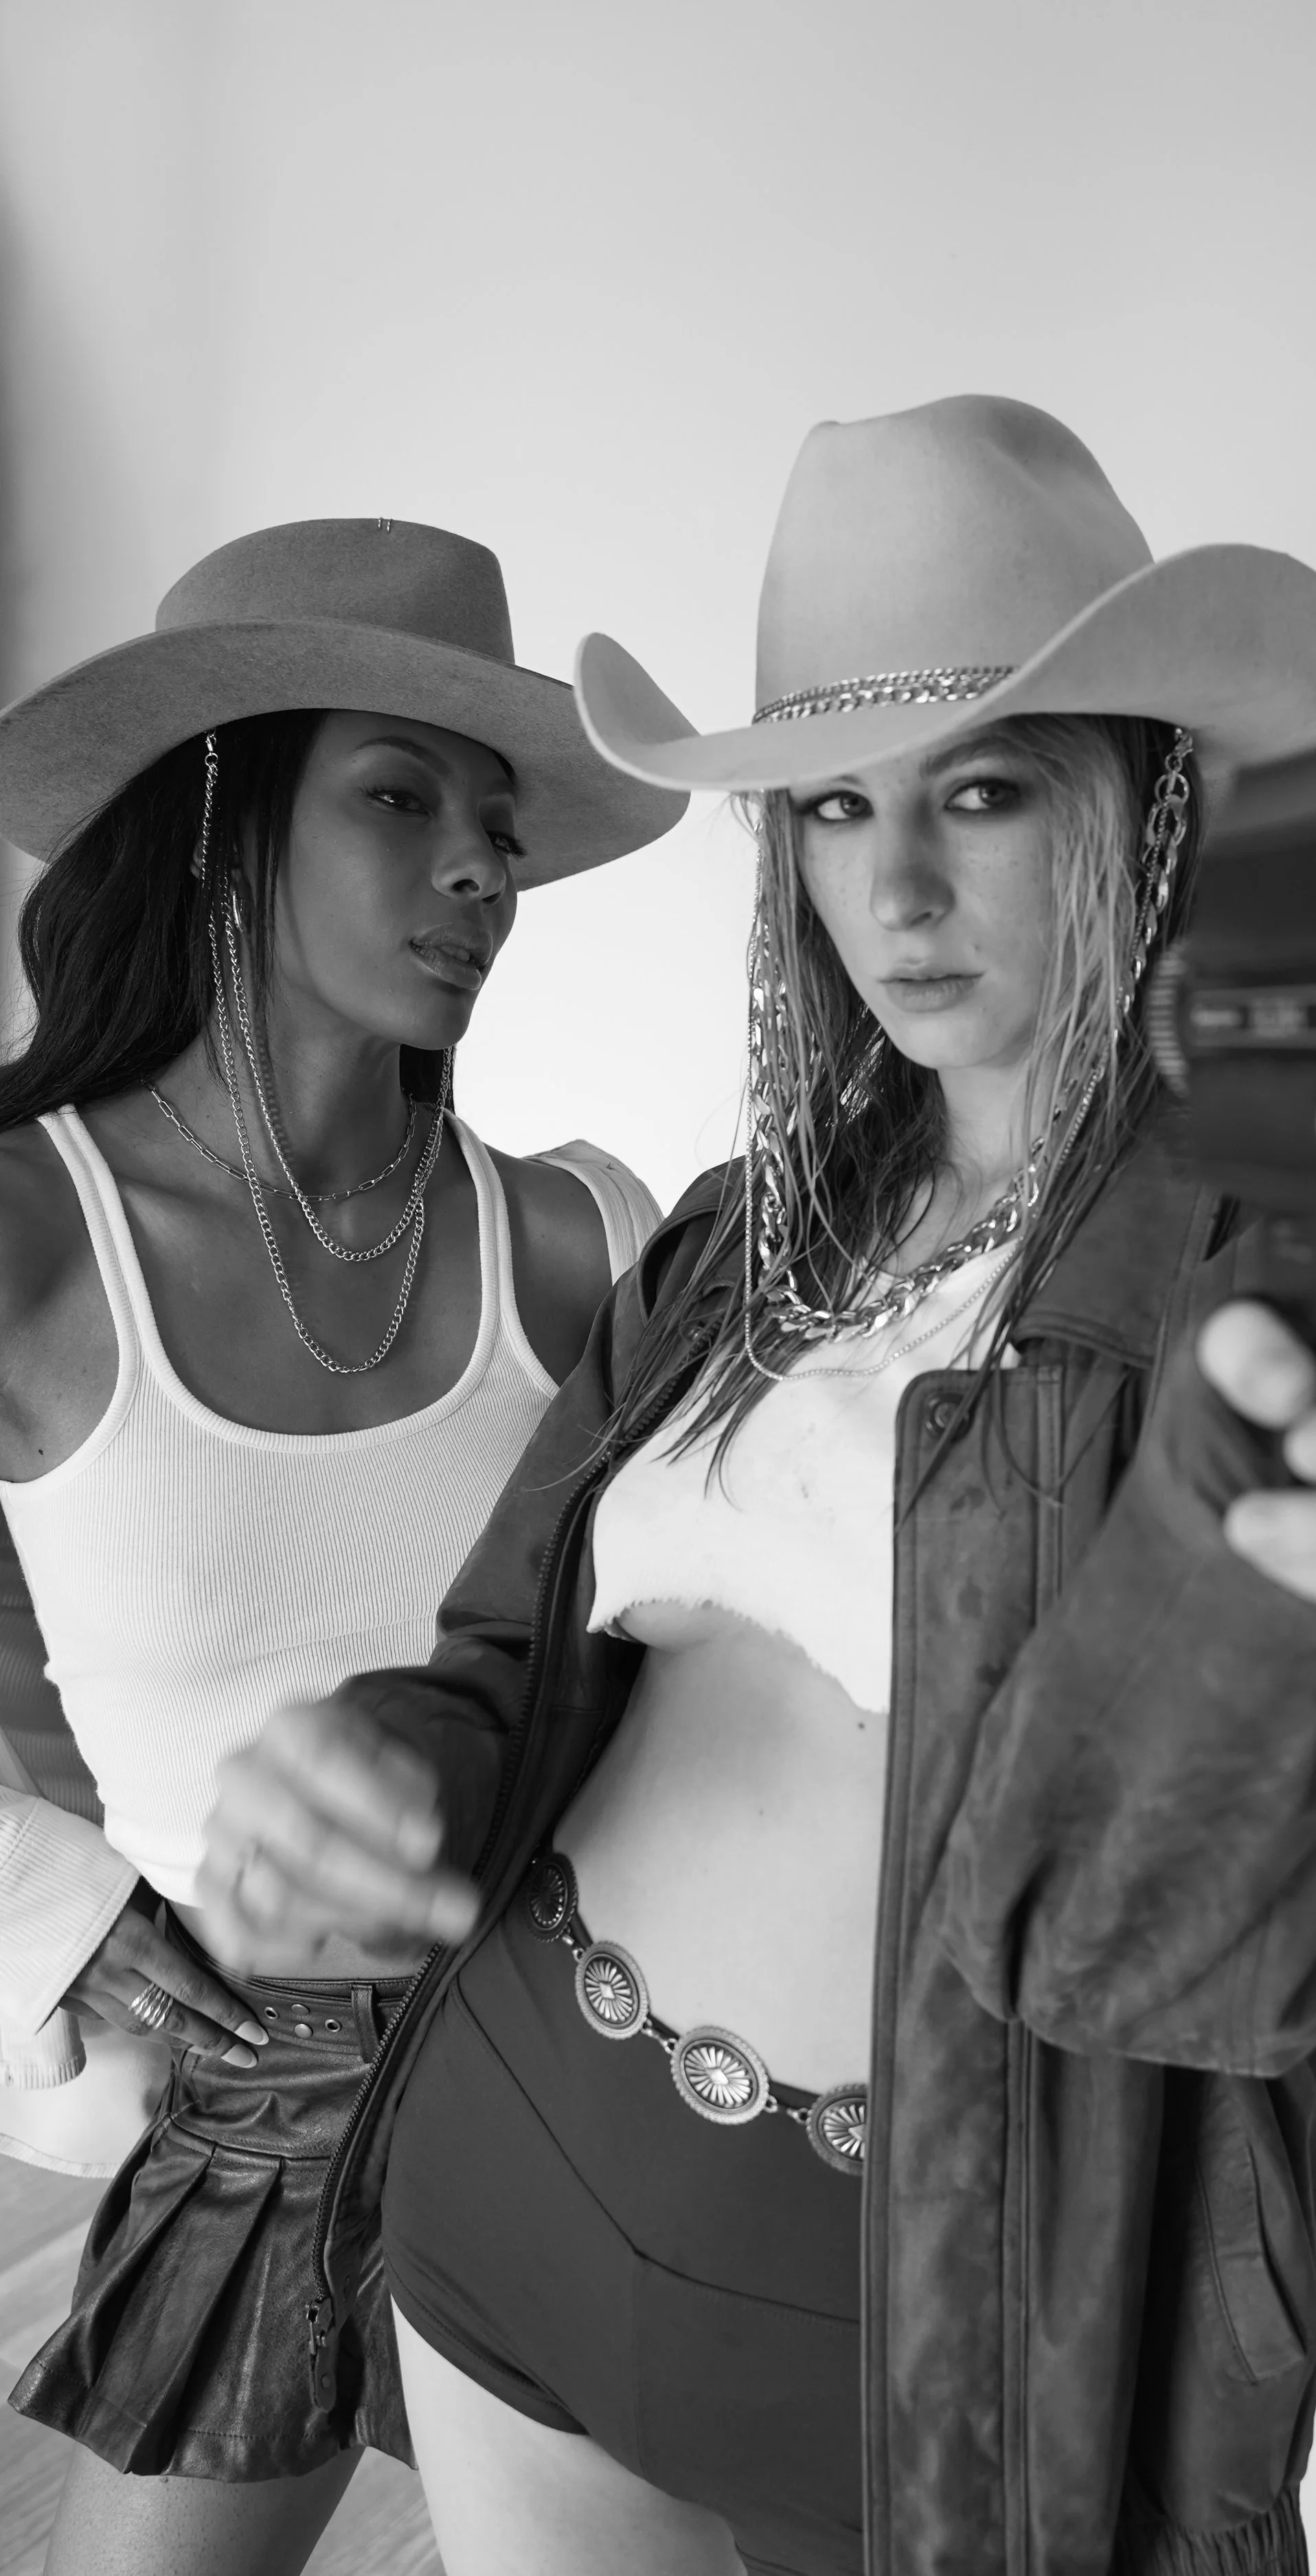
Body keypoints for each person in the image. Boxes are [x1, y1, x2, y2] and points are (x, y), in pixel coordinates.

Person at [199, 401, 1316, 2576]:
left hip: (932, 2358)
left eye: (980, 793)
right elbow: (507, 1655)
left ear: (1142, 801)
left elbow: (1216, 1856)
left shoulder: (1251, 1247)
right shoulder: (738, 1239)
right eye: (834, 808)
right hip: (501, 2203)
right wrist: (369, 1776)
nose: (894, 888)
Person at [0, 515, 683, 2575]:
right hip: (262, 2103)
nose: (483, 866)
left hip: (582, 2082)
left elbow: (679, 1668)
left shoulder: (577, 1235)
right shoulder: (32, 1231)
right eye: (402, 796)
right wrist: (60, 1911)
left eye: (500, 823)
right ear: (220, 808)